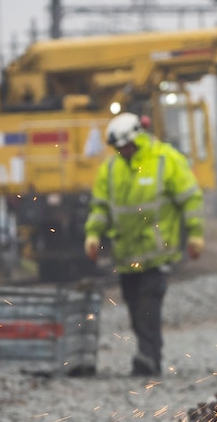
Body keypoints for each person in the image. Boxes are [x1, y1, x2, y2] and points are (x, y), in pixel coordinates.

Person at [84, 112, 204, 377]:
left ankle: (148, 357)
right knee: (134, 303)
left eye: (126, 146)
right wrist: (93, 234)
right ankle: (147, 352)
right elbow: (101, 207)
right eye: (118, 148)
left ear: (137, 138)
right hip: (126, 254)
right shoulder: (111, 168)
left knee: (149, 303)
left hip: (158, 252)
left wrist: (195, 234)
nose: (123, 151)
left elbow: (190, 199)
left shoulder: (166, 160)